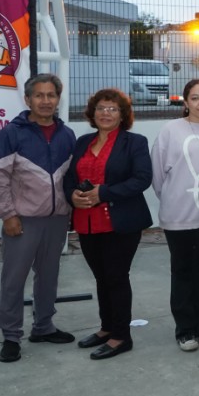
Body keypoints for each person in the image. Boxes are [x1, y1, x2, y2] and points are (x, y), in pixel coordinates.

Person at [0, 74, 77, 363]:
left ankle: (44, 326)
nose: (46, 101)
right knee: (14, 279)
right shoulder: (11, 133)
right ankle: (11, 336)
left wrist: (72, 212)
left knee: (49, 276)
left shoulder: (67, 135)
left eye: (51, 95)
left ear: (58, 99)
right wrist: (7, 215)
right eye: (39, 95)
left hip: (57, 219)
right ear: (27, 100)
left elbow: (69, 179)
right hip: (22, 220)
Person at [64, 88, 153, 360]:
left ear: (123, 115)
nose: (106, 113)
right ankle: (106, 328)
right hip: (87, 221)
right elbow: (69, 176)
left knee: (116, 277)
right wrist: (72, 195)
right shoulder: (82, 142)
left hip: (120, 222)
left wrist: (104, 192)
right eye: (101, 108)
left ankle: (121, 336)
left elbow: (142, 179)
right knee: (101, 278)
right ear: (93, 113)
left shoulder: (135, 142)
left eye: (113, 109)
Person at [151, 79, 199, 352]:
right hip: (177, 215)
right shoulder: (171, 130)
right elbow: (157, 175)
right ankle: (185, 329)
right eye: (195, 98)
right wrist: (171, 197)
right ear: (186, 101)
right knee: (181, 272)